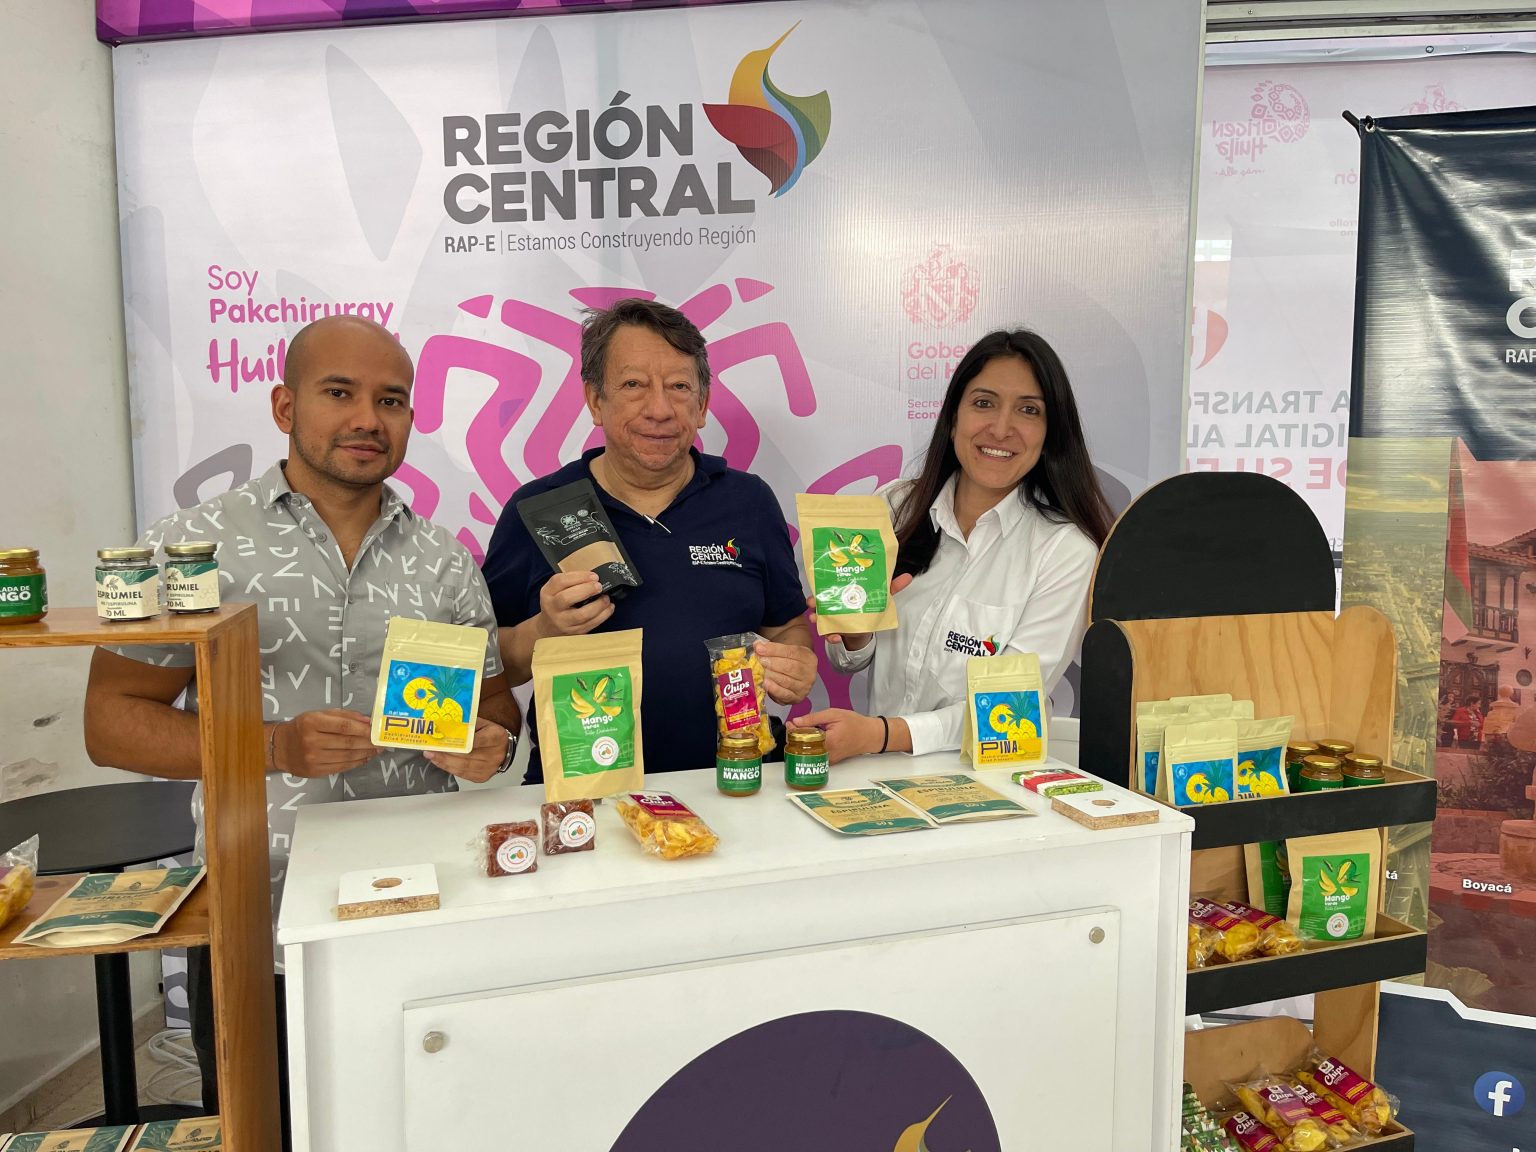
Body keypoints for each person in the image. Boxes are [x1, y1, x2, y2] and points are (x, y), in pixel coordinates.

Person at [83, 315, 522, 1145]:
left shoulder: (443, 559)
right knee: (270, 1133)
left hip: (423, 911)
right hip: (262, 923)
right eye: (339, 393)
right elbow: (111, 724)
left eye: (390, 400)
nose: (367, 419)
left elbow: (495, 711)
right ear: (285, 406)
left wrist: (490, 746)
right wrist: (273, 746)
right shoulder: (192, 548)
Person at [483, 297, 818, 778]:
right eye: (634, 385)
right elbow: (488, 667)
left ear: (702, 405)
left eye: (679, 387)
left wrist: (797, 661)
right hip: (584, 790)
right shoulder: (539, 508)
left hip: (735, 781)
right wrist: (544, 631)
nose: (659, 409)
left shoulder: (749, 501)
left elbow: (785, 628)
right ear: (595, 400)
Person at [792, 329, 1112, 763]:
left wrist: (882, 734)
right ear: (953, 416)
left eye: (1028, 410)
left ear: (1050, 432)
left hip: (986, 783)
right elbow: (851, 661)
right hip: (875, 778)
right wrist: (855, 631)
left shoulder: (1066, 551)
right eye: (984, 403)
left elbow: (1009, 709)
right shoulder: (895, 506)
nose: (1001, 428)